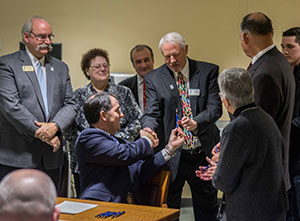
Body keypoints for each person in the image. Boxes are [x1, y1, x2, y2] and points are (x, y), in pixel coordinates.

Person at [141, 32, 222, 220]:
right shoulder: (154, 77)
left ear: (186, 49)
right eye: (166, 56)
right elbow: (152, 113)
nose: (171, 60)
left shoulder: (208, 71)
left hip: (203, 153)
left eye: (175, 54)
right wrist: (148, 129)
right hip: (174, 155)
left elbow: (215, 108)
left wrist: (196, 122)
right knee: (169, 208)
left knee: (207, 209)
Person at [196, 68, 288, 221]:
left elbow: (223, 182)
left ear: (225, 100)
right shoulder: (265, 118)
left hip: (249, 211)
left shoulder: (235, 129)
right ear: (251, 90)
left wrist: (218, 172)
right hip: (273, 207)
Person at [0, 16, 77, 189]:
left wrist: (55, 126)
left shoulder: (60, 67)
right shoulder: (7, 64)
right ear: (26, 37)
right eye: (41, 37)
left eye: (50, 37)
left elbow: (71, 104)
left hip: (52, 157)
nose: (47, 42)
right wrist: (43, 133)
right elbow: (11, 106)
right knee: (16, 212)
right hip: (17, 156)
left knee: (48, 209)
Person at [75, 92, 185, 203]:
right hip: (102, 207)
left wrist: (169, 149)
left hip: (128, 204)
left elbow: (139, 169)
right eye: (117, 110)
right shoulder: (88, 138)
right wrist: (146, 139)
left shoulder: (117, 142)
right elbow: (125, 154)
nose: (122, 115)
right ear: (103, 115)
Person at [65, 48, 143, 196]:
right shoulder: (78, 95)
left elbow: (137, 120)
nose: (102, 69)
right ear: (87, 71)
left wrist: (116, 140)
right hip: (88, 163)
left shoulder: (123, 92)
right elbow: (69, 128)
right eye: (97, 66)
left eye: (105, 65)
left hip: (120, 156)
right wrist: (90, 144)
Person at [240, 12, 295, 190]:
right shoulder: (279, 61)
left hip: (262, 177)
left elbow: (257, 129)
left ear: (246, 37)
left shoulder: (265, 73)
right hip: (274, 170)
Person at [281, 27, 300, 220]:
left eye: (290, 46)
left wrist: (285, 127)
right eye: (282, 47)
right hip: (286, 152)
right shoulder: (285, 73)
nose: (285, 51)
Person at [119, 44, 154, 111]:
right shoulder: (124, 87)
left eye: (146, 60)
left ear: (152, 60)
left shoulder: (165, 83)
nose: (143, 65)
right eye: (138, 62)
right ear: (133, 65)